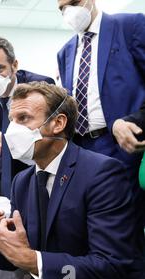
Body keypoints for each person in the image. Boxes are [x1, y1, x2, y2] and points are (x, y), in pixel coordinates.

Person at [0, 82, 143, 279]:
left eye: (24, 118)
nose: (12, 130)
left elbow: (110, 269)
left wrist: (33, 261)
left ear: (58, 123)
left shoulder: (102, 174)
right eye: (11, 120)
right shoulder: (22, 181)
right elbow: (20, 253)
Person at [57, 1, 145, 217]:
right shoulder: (65, 53)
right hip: (80, 150)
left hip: (121, 147)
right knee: (90, 225)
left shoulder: (130, 26)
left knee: (126, 228)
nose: (69, 11)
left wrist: (133, 120)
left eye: (74, 3)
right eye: (62, 8)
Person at [0, 36, 55, 205]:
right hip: (7, 170)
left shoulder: (41, 85)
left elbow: (55, 137)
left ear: (14, 65)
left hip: (40, 165)